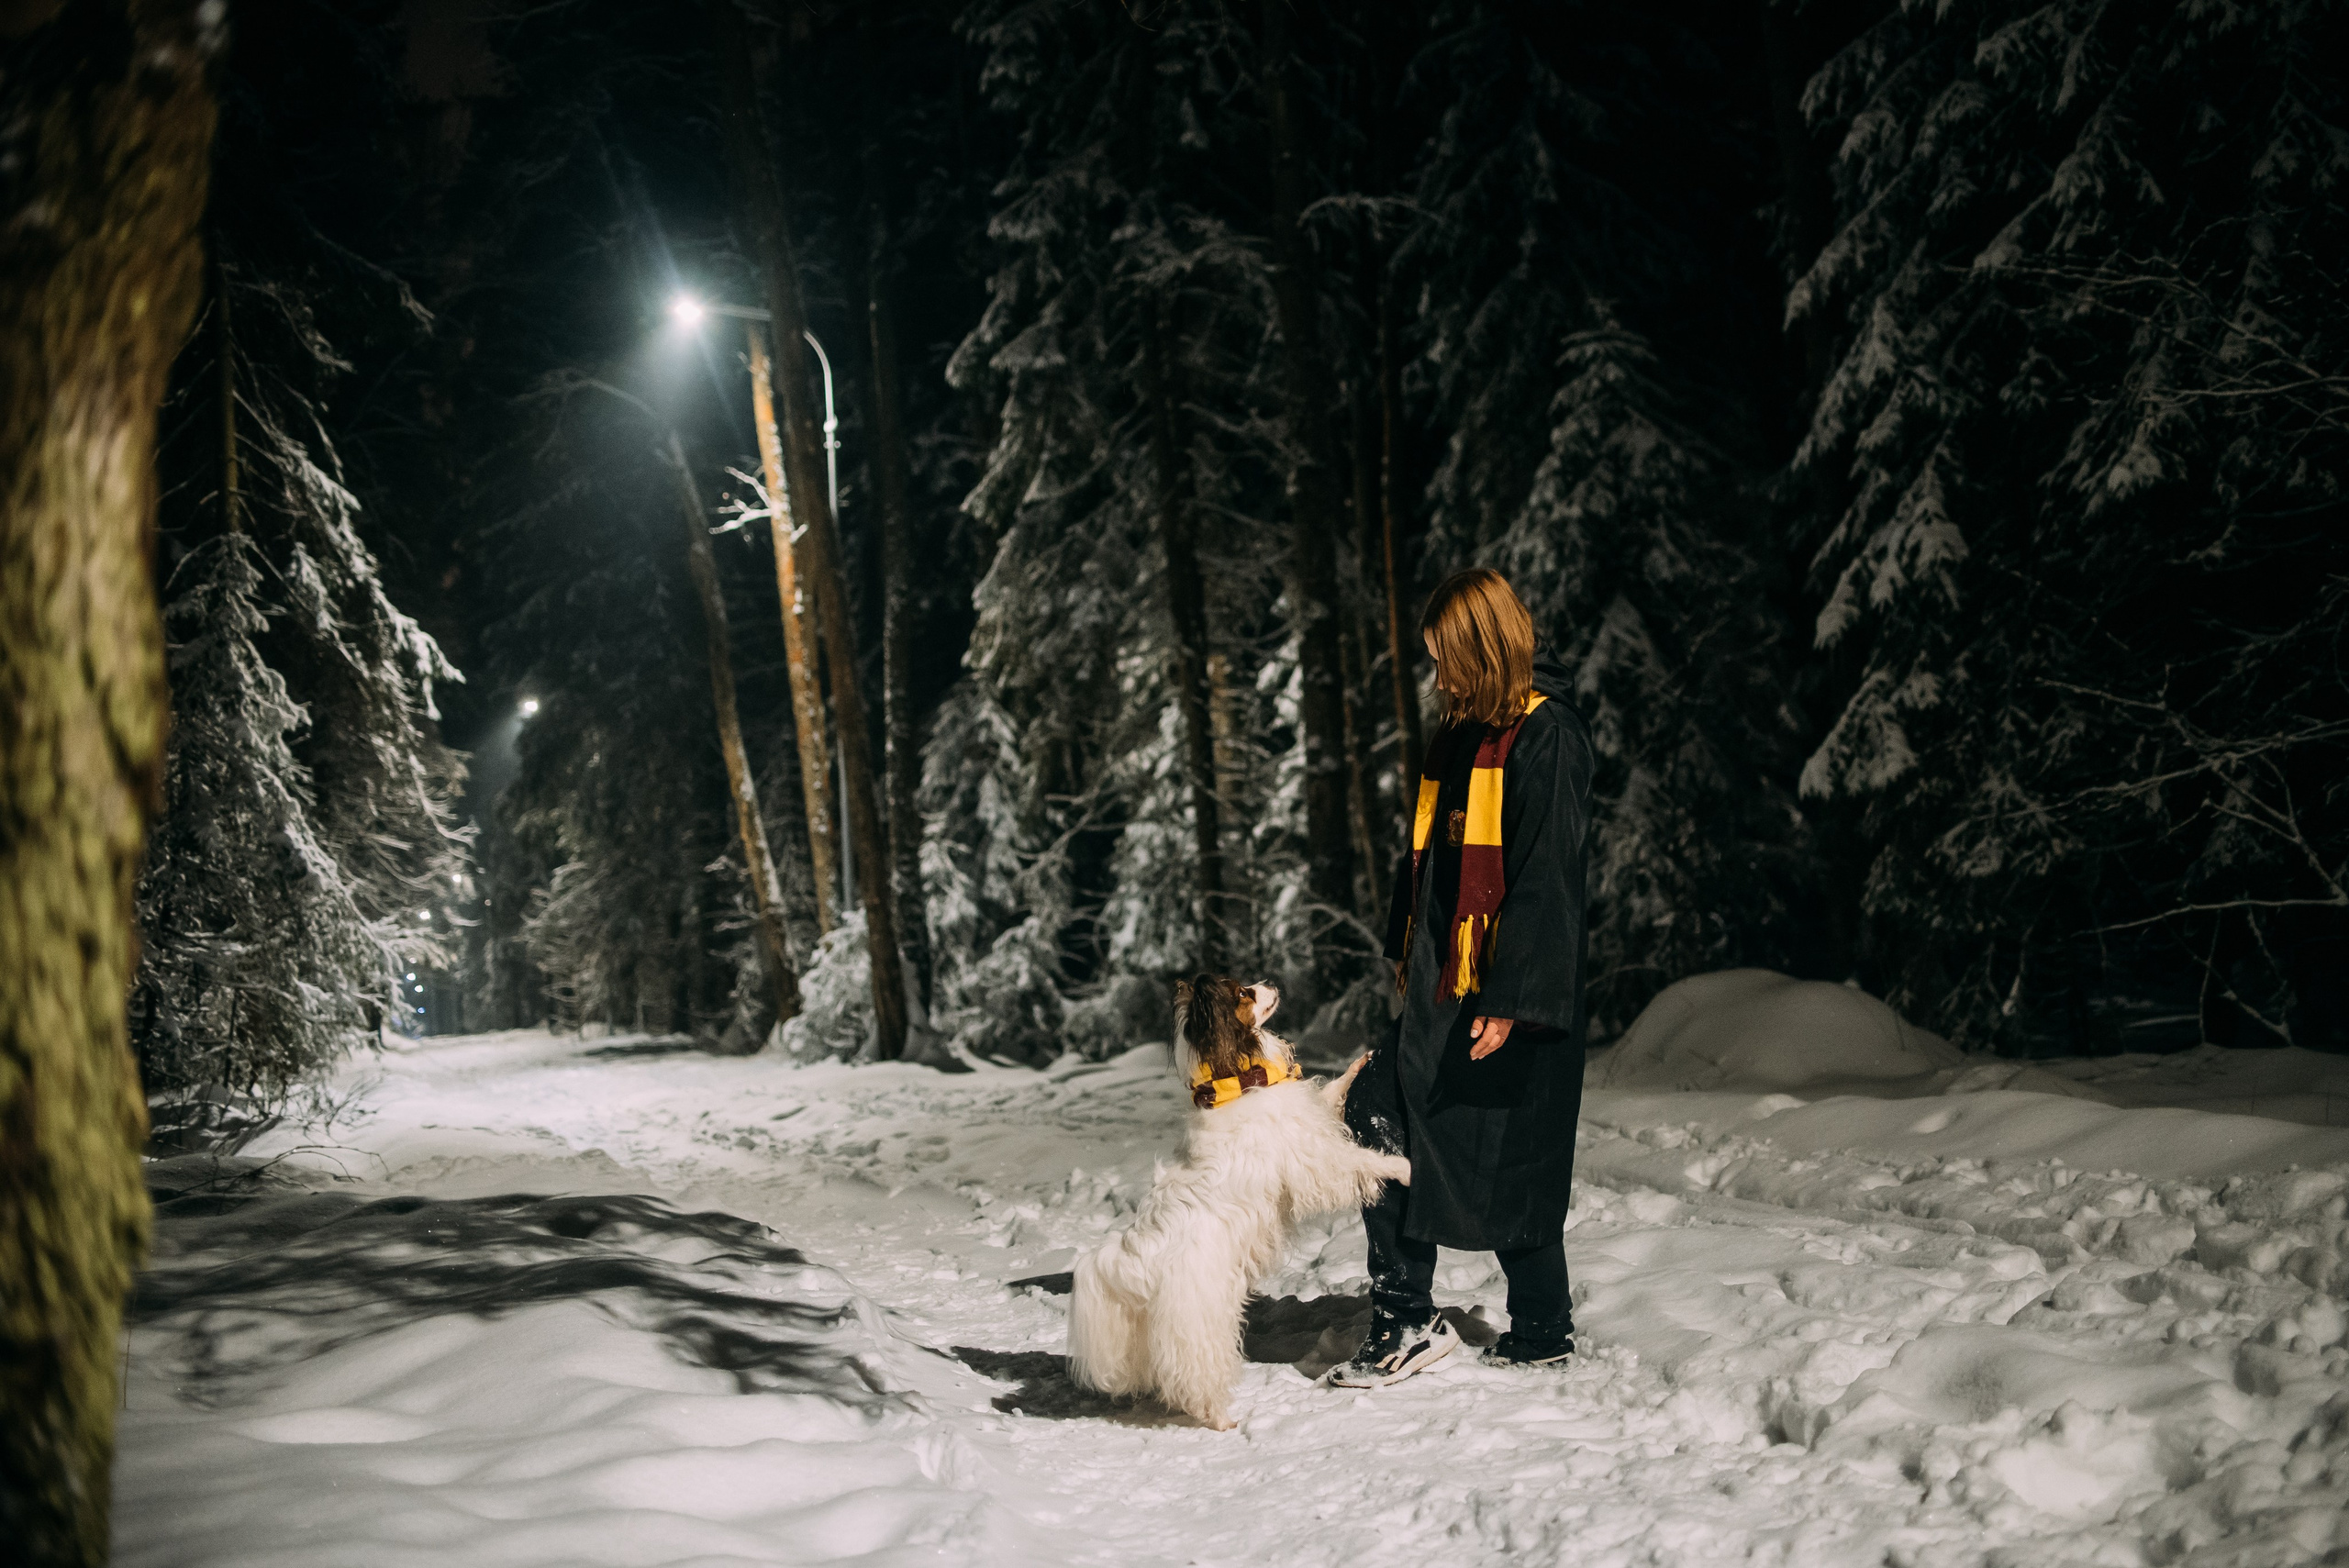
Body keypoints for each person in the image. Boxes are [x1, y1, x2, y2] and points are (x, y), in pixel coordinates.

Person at [1330, 567, 1594, 1385]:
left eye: (1448, 657)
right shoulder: (1462, 735)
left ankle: (1533, 1323)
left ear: (1486, 647)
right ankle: (1414, 1314)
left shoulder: (1547, 734)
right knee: (1382, 1110)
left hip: (1508, 993)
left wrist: (1512, 1000)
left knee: (1514, 1153)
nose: (1439, 676)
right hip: (1449, 990)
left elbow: (1550, 875)